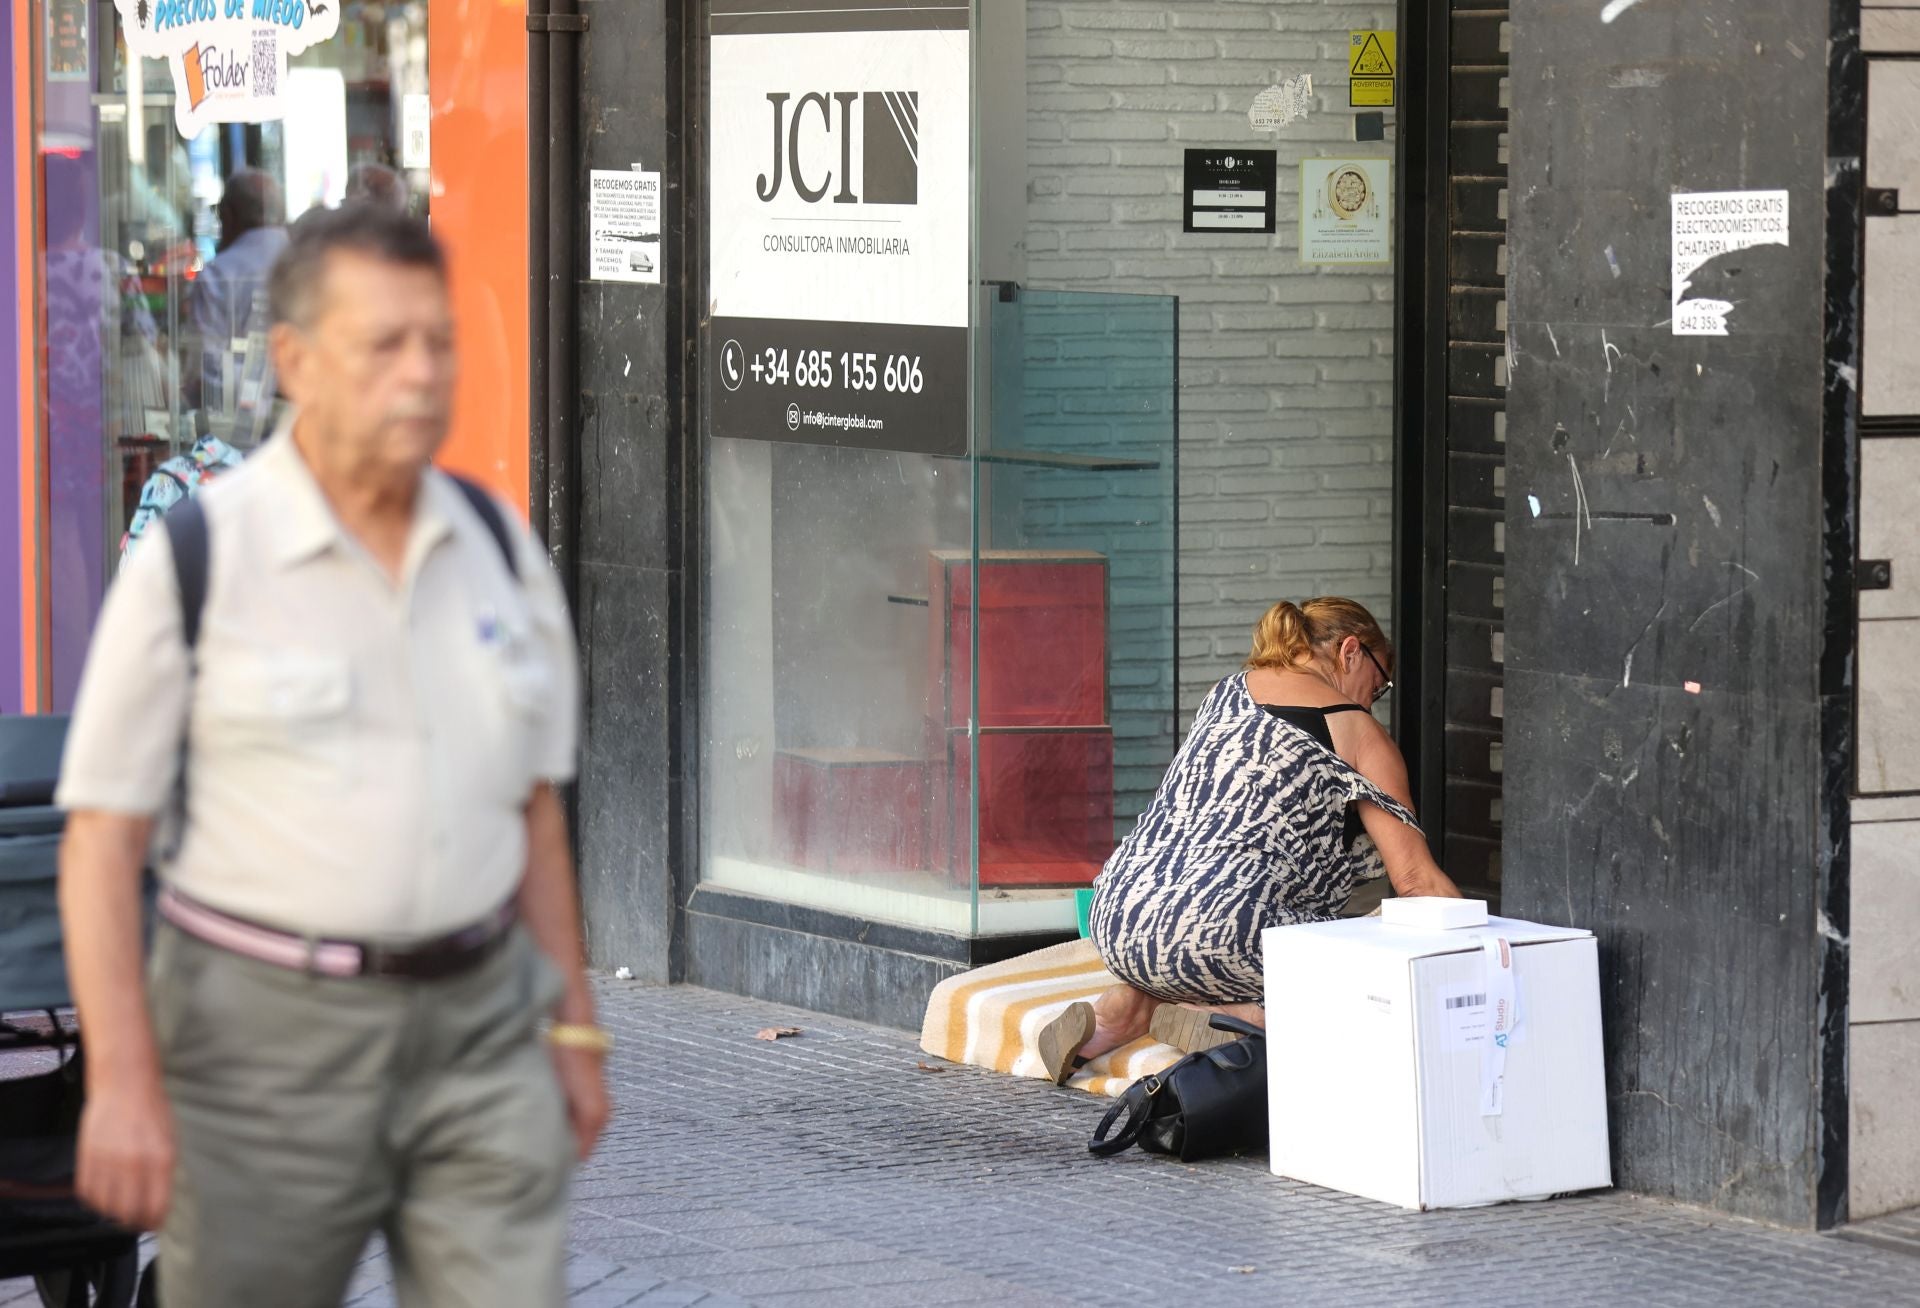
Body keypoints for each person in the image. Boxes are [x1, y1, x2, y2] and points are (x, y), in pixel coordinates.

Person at [56, 204, 609, 1306]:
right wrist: (119, 1080)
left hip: (479, 1025)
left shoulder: (499, 551)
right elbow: (101, 842)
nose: (421, 374)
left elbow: (535, 811)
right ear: (296, 362)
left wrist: (575, 1023)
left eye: (439, 341)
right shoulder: (200, 556)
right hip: (264, 1039)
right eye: (383, 346)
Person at [1037, 597, 1464, 1082]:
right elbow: (1414, 880)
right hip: (1222, 931)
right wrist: (1488, 951)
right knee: (1369, 986)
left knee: (1207, 917)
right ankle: (1234, 1017)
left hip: (1117, 917)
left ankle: (1124, 1010)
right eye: (1379, 683)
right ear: (1350, 652)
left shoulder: (1225, 693)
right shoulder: (1359, 731)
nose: (1372, 698)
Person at [185, 168, 287, 414]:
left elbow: (206, 374)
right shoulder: (310, 263)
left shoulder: (218, 275)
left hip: (239, 434)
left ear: (227, 215)